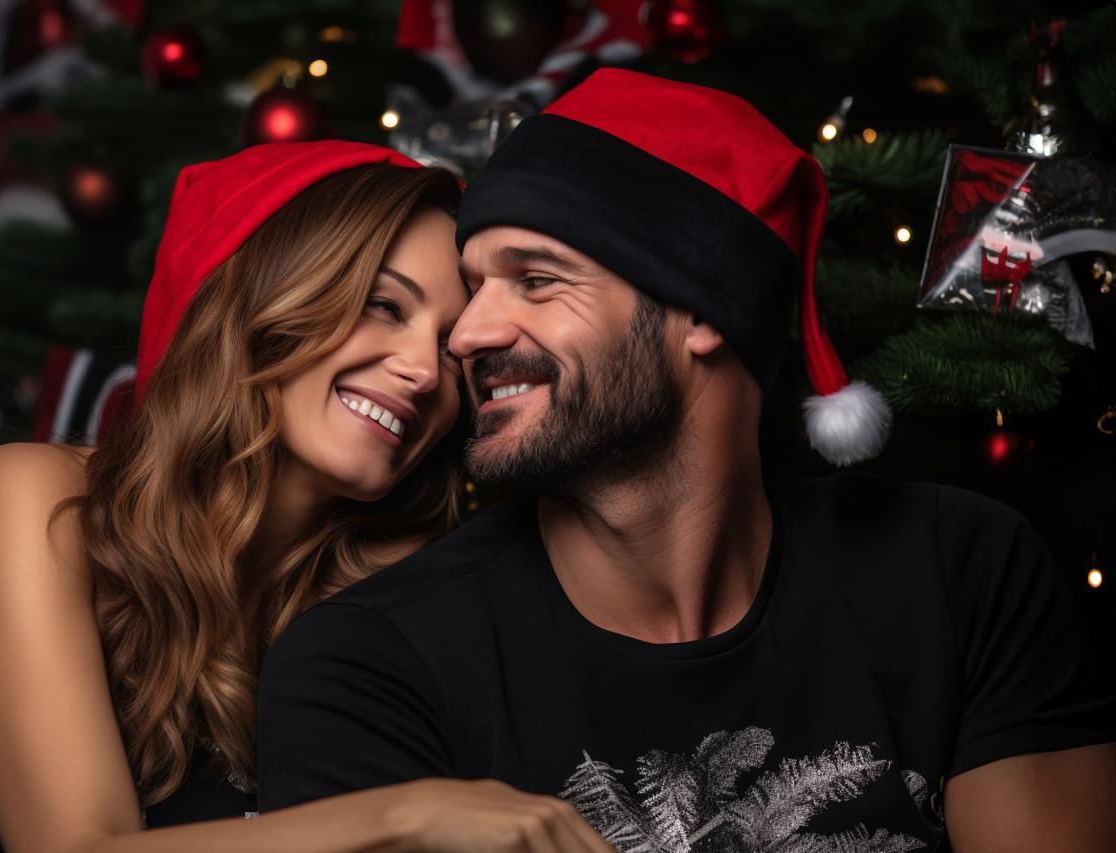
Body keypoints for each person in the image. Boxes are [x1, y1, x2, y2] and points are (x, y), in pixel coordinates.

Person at [254, 71, 1116, 852]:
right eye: (476, 284)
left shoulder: (958, 571)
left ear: (703, 310)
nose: (467, 334)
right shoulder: (372, 663)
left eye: (536, 279)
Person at [0, 141, 615, 853]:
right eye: (383, 305)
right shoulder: (33, 500)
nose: (423, 370)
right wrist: (409, 815)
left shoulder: (393, 595)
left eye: (451, 352)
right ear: (270, 303)